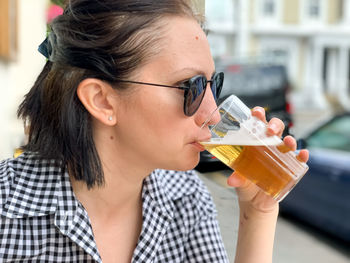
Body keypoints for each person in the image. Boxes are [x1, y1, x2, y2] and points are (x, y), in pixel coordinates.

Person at [0, 0, 309, 262]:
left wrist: (257, 215)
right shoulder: (7, 211)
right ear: (102, 101)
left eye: (213, 84)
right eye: (193, 87)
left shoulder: (186, 198)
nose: (213, 114)